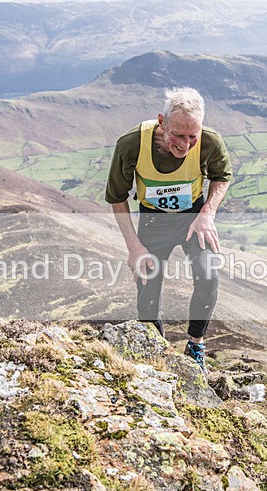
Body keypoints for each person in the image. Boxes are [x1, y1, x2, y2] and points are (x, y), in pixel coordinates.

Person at [106, 87, 232, 371]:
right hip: (153, 219)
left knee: (208, 272)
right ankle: (156, 351)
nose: (185, 145)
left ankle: (196, 346)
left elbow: (222, 177)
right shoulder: (131, 144)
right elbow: (116, 197)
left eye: (192, 136)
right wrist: (134, 247)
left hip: (193, 217)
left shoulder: (211, 142)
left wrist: (207, 214)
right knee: (148, 283)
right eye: (178, 135)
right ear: (161, 122)